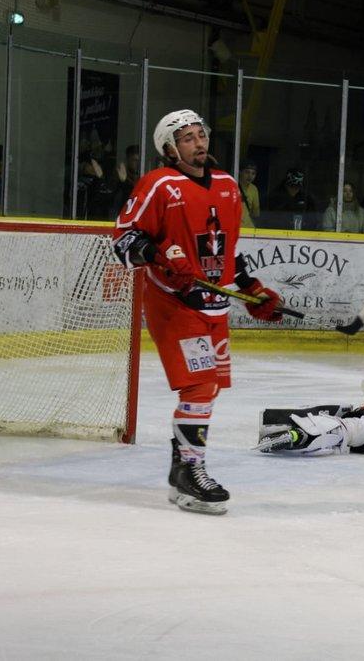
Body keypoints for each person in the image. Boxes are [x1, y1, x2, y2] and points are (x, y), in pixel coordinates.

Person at [111, 109, 283, 515]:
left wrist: (251, 289)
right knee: (200, 386)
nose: (198, 142)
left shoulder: (227, 185)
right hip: (174, 301)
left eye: (200, 135)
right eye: (187, 138)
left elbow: (225, 250)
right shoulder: (159, 184)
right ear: (170, 149)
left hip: (213, 305)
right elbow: (123, 240)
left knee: (208, 390)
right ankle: (191, 470)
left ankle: (180, 470)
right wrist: (159, 257)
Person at [238, 159, 260, 229]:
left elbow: (255, 212)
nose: (250, 176)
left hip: (248, 228)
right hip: (235, 227)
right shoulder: (232, 186)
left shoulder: (254, 189)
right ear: (240, 172)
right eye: (247, 172)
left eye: (253, 173)